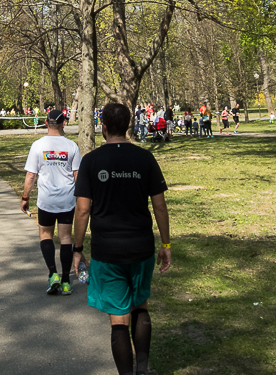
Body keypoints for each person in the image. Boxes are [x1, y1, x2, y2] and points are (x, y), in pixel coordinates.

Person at [72, 103, 171, 375]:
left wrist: (77, 249)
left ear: (103, 126)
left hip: (107, 252)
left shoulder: (91, 161)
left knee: (118, 320)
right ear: (127, 125)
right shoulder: (145, 159)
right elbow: (160, 206)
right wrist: (166, 245)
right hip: (141, 248)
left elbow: (82, 210)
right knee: (141, 307)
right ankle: (142, 368)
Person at [21, 109, 82, 295]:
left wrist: (25, 198)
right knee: (65, 238)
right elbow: (77, 175)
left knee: (46, 235)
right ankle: (65, 281)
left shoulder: (38, 145)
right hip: (67, 199)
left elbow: (31, 175)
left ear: (46, 123)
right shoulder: (72, 146)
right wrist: (81, 199)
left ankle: (52, 273)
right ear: (64, 123)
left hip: (46, 200)